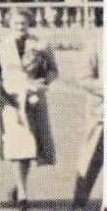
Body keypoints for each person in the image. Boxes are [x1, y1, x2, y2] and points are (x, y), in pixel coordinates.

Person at [0, 8, 59, 211]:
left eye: (23, 23)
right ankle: (23, 194)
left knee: (30, 144)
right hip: (9, 99)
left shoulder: (41, 44)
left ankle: (19, 185)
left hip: (32, 100)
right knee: (16, 143)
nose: (20, 27)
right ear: (9, 24)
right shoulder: (1, 45)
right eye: (15, 24)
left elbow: (53, 71)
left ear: (29, 24)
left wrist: (43, 83)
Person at [72, 39, 103, 210]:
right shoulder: (97, 43)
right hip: (101, 114)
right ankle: (79, 205)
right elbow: (84, 78)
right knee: (91, 161)